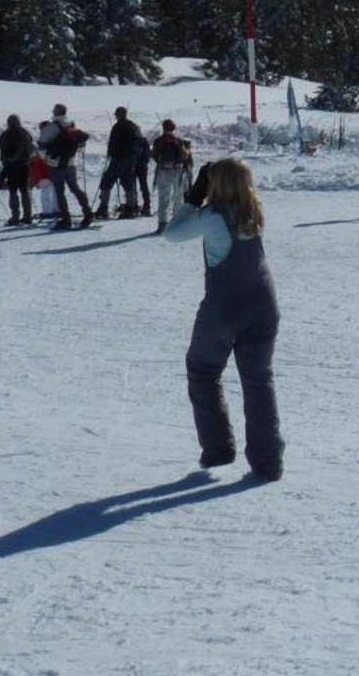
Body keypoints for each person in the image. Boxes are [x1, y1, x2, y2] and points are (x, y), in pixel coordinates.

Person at [163, 159, 283, 482]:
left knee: (202, 370)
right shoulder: (253, 212)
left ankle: (218, 449)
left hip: (225, 307)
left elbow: (171, 234)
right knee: (259, 380)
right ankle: (268, 463)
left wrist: (192, 197)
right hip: (263, 304)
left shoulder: (213, 217)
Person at [42, 113, 94, 229]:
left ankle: (66, 219)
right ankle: (88, 212)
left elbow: (42, 144)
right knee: (75, 188)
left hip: (55, 164)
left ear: (55, 113)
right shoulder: (72, 125)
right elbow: (80, 145)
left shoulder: (52, 126)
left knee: (60, 192)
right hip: (70, 163)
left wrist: (46, 158)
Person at [96, 107, 145, 219]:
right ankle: (131, 208)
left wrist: (111, 153)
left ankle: (103, 207)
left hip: (118, 158)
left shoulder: (117, 126)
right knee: (128, 182)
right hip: (131, 159)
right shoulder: (133, 126)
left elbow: (113, 143)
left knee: (106, 182)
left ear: (118, 115)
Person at [151, 120, 194, 232]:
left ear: (163, 128)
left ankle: (162, 224)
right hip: (177, 171)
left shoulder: (158, 141)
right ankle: (176, 223)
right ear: (173, 128)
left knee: (163, 198)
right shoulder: (179, 141)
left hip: (163, 171)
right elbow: (185, 158)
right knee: (177, 198)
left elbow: (154, 156)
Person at [0, 115, 34, 225]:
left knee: (13, 191)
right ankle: (27, 216)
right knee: (25, 191)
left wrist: (6, 163)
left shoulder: (5, 135)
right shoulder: (25, 134)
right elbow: (30, 149)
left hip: (10, 166)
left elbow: (2, 152)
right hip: (24, 165)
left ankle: (15, 216)